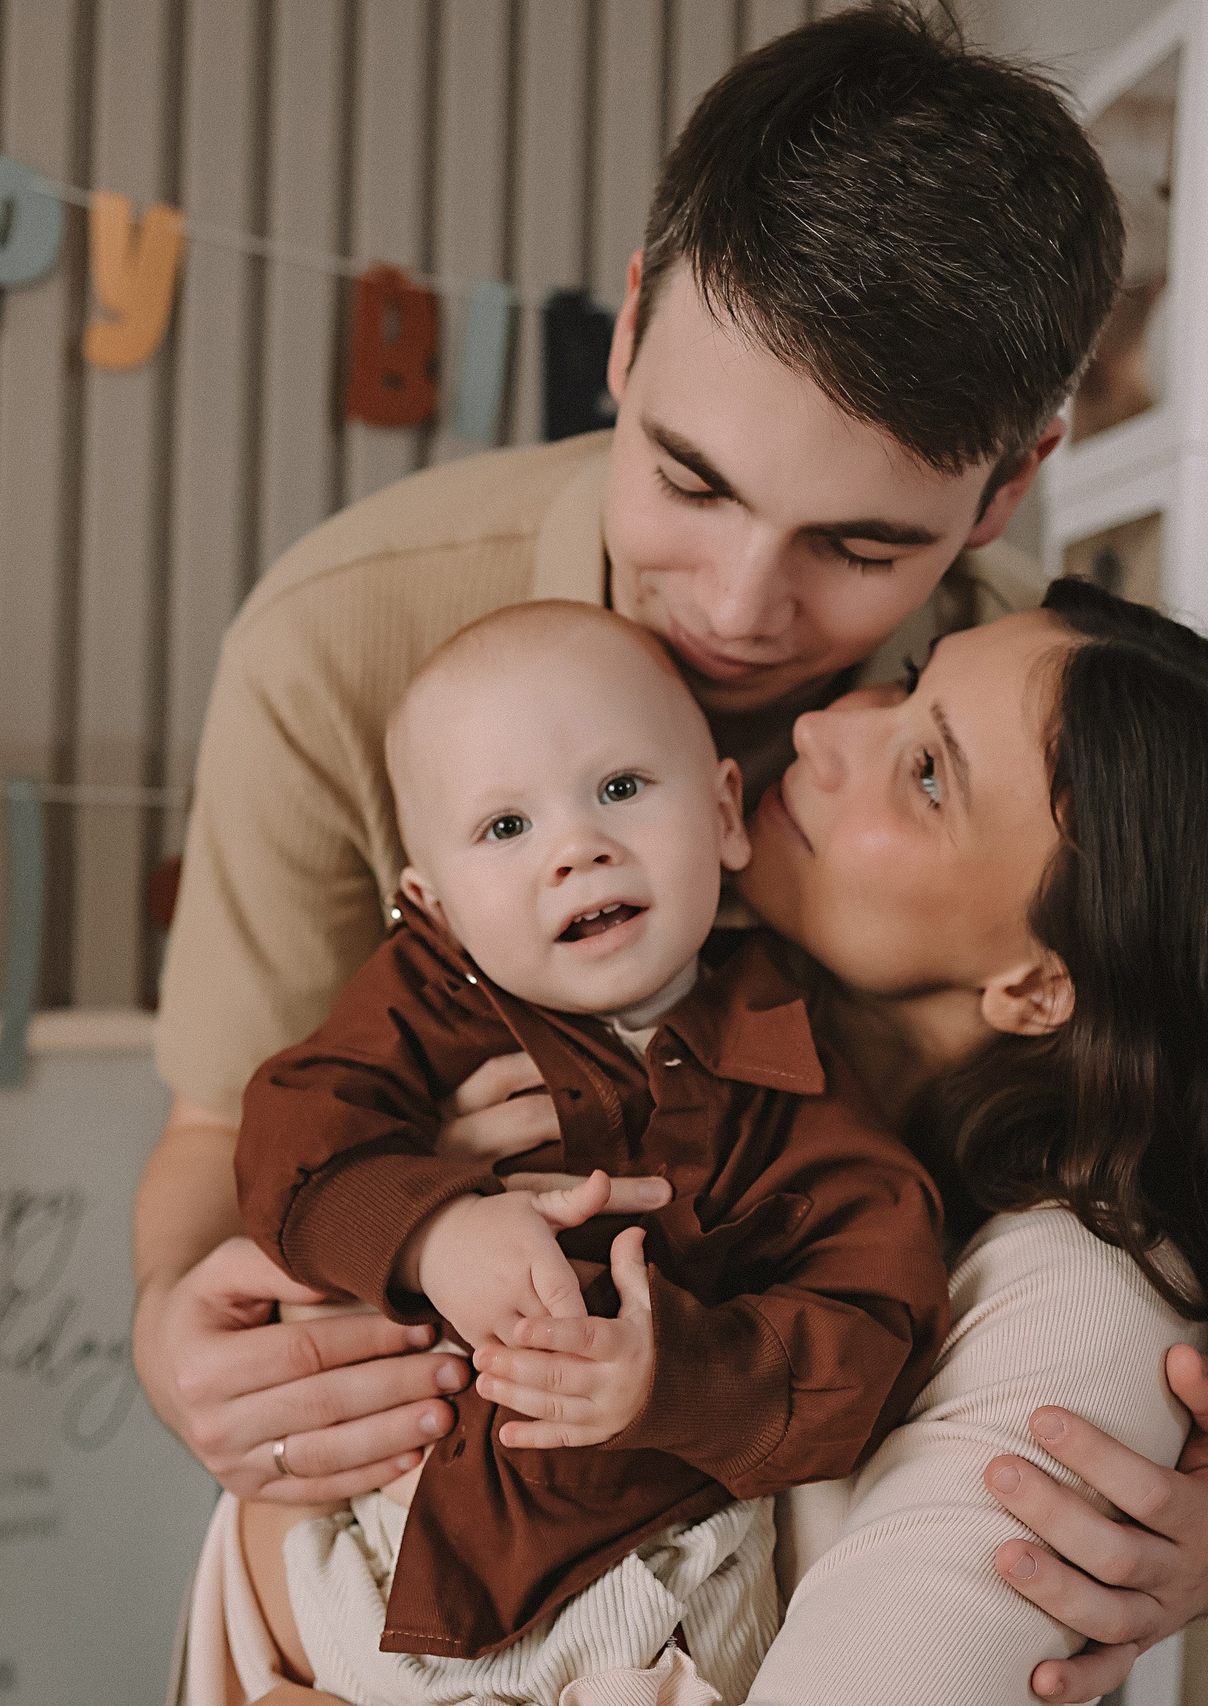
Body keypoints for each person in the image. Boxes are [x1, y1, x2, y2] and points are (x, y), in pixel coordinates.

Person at [139, 10, 1208, 1701]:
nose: (742, 611)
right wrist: (177, 1327)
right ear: (627, 329)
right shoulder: (343, 643)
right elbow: (226, 1123)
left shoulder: (1053, 724)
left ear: (1010, 484)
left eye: (861, 544)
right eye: (689, 478)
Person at [202, 581, 1208, 1704]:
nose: (820, 723)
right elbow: (269, 1136)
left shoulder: (1067, 1291)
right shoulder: (592, 1001)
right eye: (906, 686)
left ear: (1036, 987)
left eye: (925, 773)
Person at [236, 603, 951, 1700]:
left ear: (722, 813)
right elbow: (289, 1146)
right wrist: (430, 1230)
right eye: (504, 829)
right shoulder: (429, 1005)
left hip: (666, 1565)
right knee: (252, 1558)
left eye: (620, 789)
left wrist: (678, 1378)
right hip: (420, 1549)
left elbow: (873, 1309)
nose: (578, 847)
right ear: (432, 904)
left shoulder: (784, 1057)